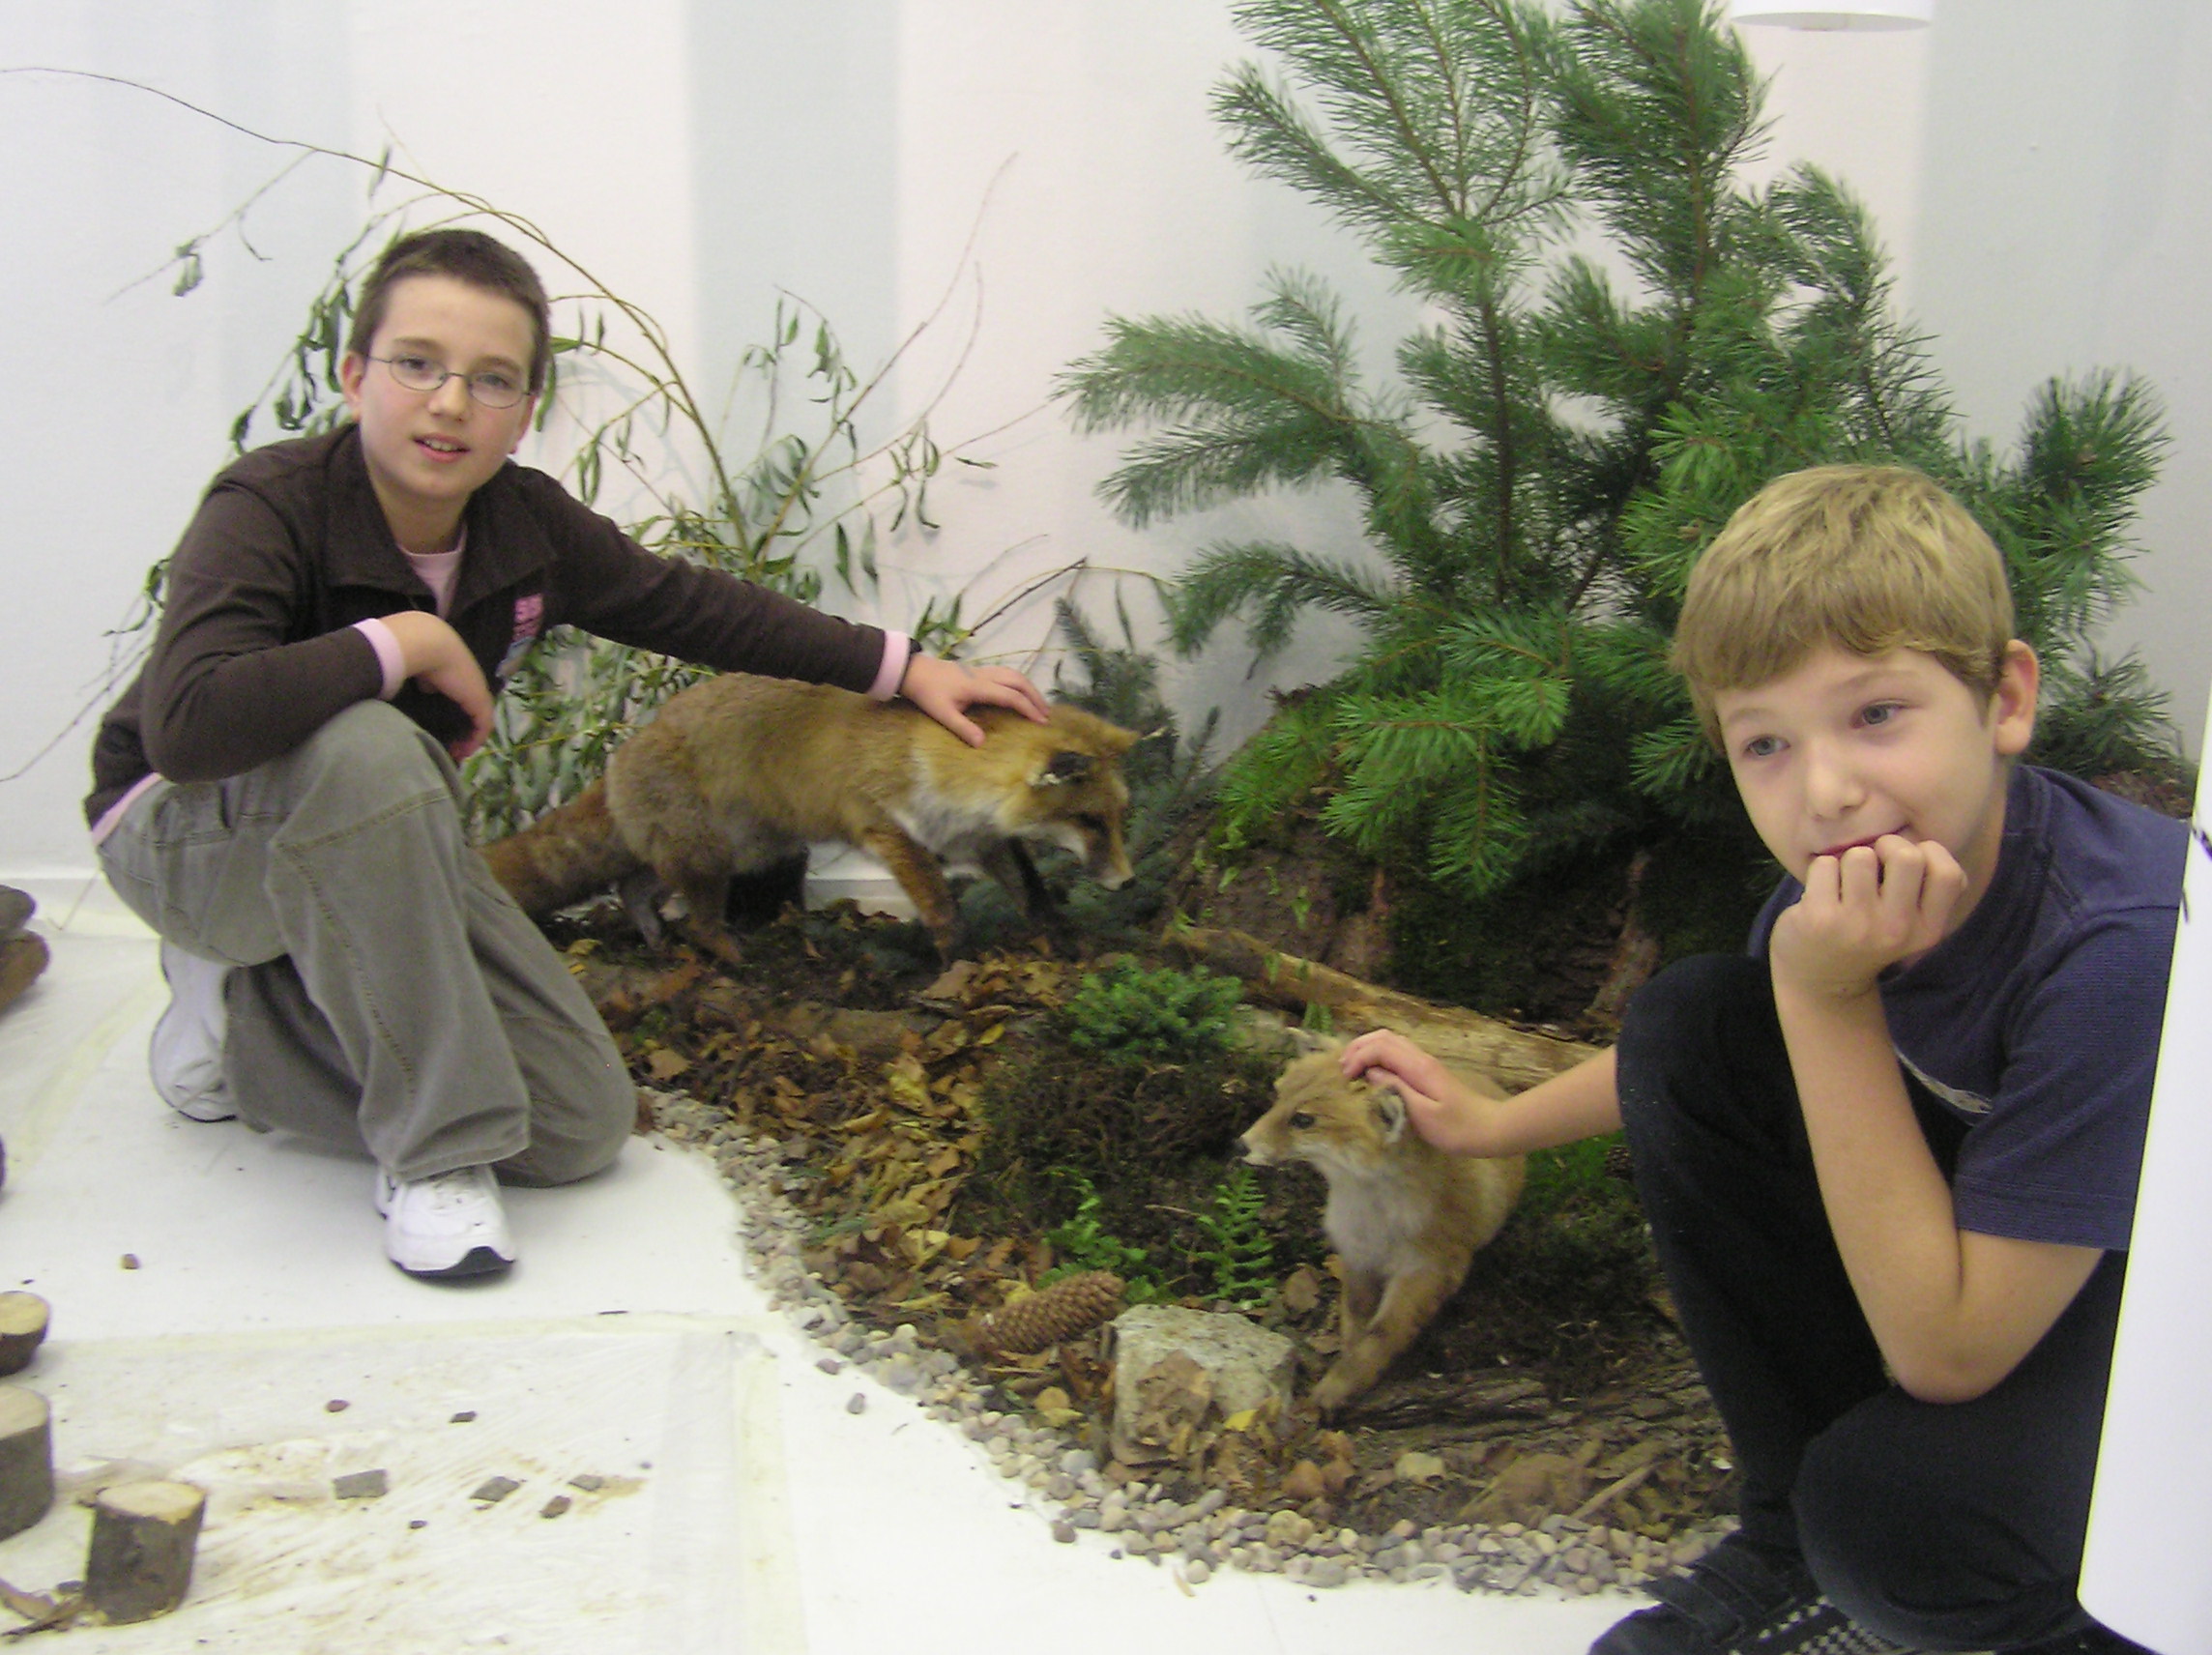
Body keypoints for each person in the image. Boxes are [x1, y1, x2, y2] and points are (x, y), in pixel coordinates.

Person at [86, 228, 1048, 1284]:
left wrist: (901, 667)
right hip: (187, 840)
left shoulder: (522, 524)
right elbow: (189, 724)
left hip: (378, 858)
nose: (451, 402)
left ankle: (239, 1024)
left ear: (527, 409)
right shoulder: (269, 502)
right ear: (354, 374)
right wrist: (399, 642)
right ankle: (434, 1156)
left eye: (491, 379)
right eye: (417, 363)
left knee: (575, 1121)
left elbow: (689, 605)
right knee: (369, 740)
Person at [1342, 467, 2180, 1655]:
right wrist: (1490, 1123)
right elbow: (1700, 1057)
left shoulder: (2117, 946)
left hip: (2175, 1319)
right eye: (1765, 742)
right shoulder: (1856, 884)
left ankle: (2093, 1614)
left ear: (2003, 698)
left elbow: (1947, 1354)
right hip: (2044, 1251)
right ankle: (1791, 1553)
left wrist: (1824, 993)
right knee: (1693, 1020)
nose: (1826, 789)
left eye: (1875, 712)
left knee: (1905, 1524)